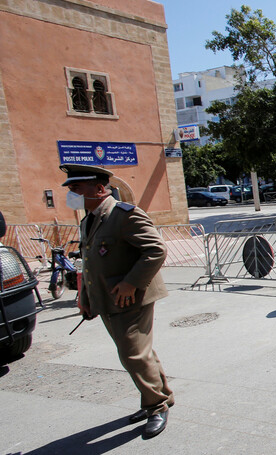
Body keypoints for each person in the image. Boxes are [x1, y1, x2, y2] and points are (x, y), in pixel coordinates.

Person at [62, 164, 173, 439]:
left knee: (133, 354)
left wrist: (131, 282)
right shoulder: (89, 219)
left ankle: (156, 406)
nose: (71, 195)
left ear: (100, 189)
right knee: (138, 353)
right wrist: (85, 298)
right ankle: (161, 396)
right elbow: (90, 264)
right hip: (109, 299)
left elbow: (156, 250)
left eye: (76, 189)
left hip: (132, 298)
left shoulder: (124, 215)